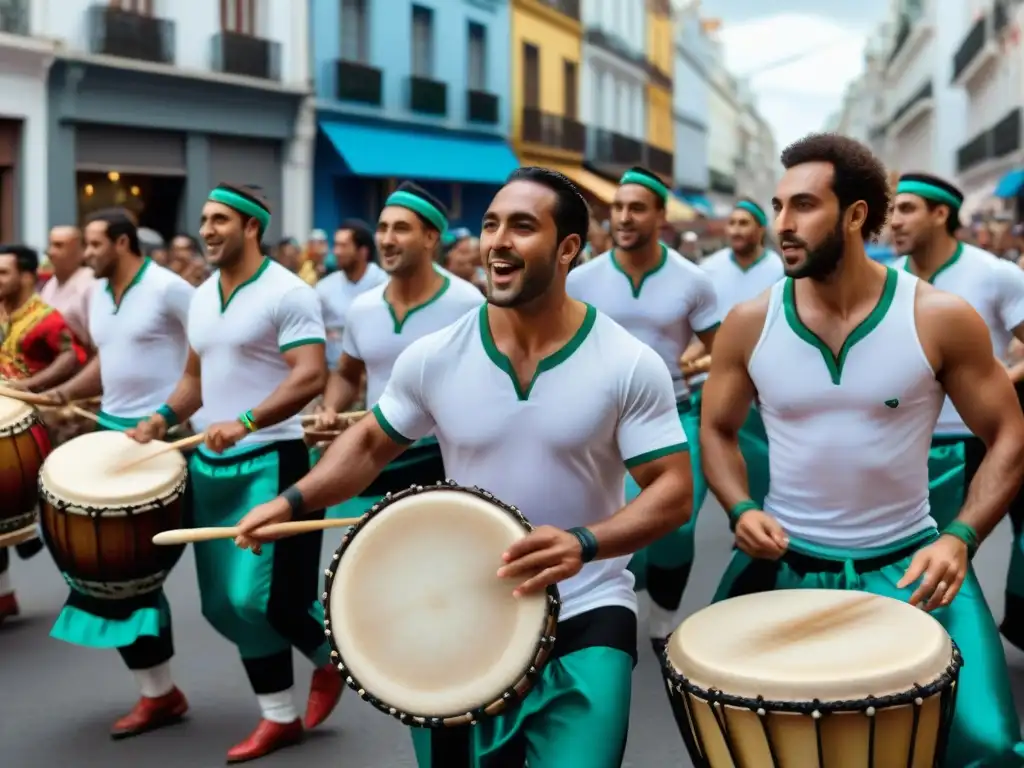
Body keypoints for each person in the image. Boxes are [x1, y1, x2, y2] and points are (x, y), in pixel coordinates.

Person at [232, 167, 692, 767]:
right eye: (490, 225)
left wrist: (586, 542)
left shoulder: (629, 363)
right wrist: (291, 501)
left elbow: (674, 491)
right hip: (463, 612)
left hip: (587, 609)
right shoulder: (434, 358)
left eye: (522, 227)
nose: (496, 241)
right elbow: (370, 445)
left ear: (569, 248)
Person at [702, 133, 1024, 767]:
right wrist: (739, 507)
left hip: (913, 567)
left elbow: (1009, 434)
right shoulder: (749, 321)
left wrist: (960, 536)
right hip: (784, 569)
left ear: (854, 215)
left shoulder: (938, 317)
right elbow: (716, 429)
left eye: (803, 206)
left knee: (988, 746)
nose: (782, 226)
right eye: (777, 206)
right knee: (746, 747)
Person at [127, 184, 341, 763]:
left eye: (220, 219)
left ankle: (291, 705)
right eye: (204, 219)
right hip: (210, 464)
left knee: (256, 598)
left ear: (252, 227)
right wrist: (161, 418)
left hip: (272, 459)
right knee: (220, 604)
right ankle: (314, 678)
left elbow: (310, 376)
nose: (207, 229)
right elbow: (195, 382)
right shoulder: (200, 296)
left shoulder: (288, 292)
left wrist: (246, 421)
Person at [36, 208, 194, 739]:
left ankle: (160, 696)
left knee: (134, 578)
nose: (87, 255)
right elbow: (107, 360)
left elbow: (209, 352)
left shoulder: (170, 289)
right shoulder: (99, 293)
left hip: (159, 443)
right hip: (108, 436)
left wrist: (183, 415)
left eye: (96, 244)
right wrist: (65, 390)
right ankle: (159, 693)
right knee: (110, 578)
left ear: (123, 243)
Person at [566, 166, 718, 650]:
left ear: (660, 215)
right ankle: (614, 600)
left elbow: (721, 351)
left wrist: (694, 363)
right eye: (618, 209)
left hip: (675, 413)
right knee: (619, 517)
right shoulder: (580, 279)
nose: (625, 218)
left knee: (679, 520)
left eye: (637, 208)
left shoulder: (693, 280)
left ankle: (664, 617)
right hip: (600, 423)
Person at [890, 172, 1024, 652]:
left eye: (906, 209)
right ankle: (930, 664)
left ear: (940, 214)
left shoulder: (994, 274)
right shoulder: (889, 280)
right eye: (891, 210)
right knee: (927, 564)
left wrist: (998, 381)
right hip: (915, 445)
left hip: (987, 438)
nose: (893, 221)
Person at [314, 183, 484, 518]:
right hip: (379, 458)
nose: (387, 240)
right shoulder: (363, 308)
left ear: (431, 238)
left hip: (446, 462)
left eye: (401, 229)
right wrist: (331, 407)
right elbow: (348, 375)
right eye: (382, 228)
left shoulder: (470, 305)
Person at [0, 244, 88, 623]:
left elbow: (74, 357)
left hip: (30, 427)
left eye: (3, 272)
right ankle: (4, 594)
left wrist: (32, 387)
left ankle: (85, 584)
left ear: (26, 276)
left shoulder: (47, 318)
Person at [683, 198, 783, 501]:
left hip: (762, 386)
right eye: (733, 223)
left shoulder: (780, 269)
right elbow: (695, 327)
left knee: (758, 480)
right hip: (709, 380)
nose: (736, 230)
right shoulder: (707, 270)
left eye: (744, 223)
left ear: (760, 229)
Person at [315, 220, 387, 373]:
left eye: (344, 246)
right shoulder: (324, 288)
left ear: (363, 251)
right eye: (336, 245)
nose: (336, 252)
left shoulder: (385, 285)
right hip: (333, 373)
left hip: (373, 374)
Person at [41, 226, 95, 347]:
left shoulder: (91, 284)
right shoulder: (50, 284)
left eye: (59, 246)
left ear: (80, 252)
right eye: (50, 245)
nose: (51, 252)